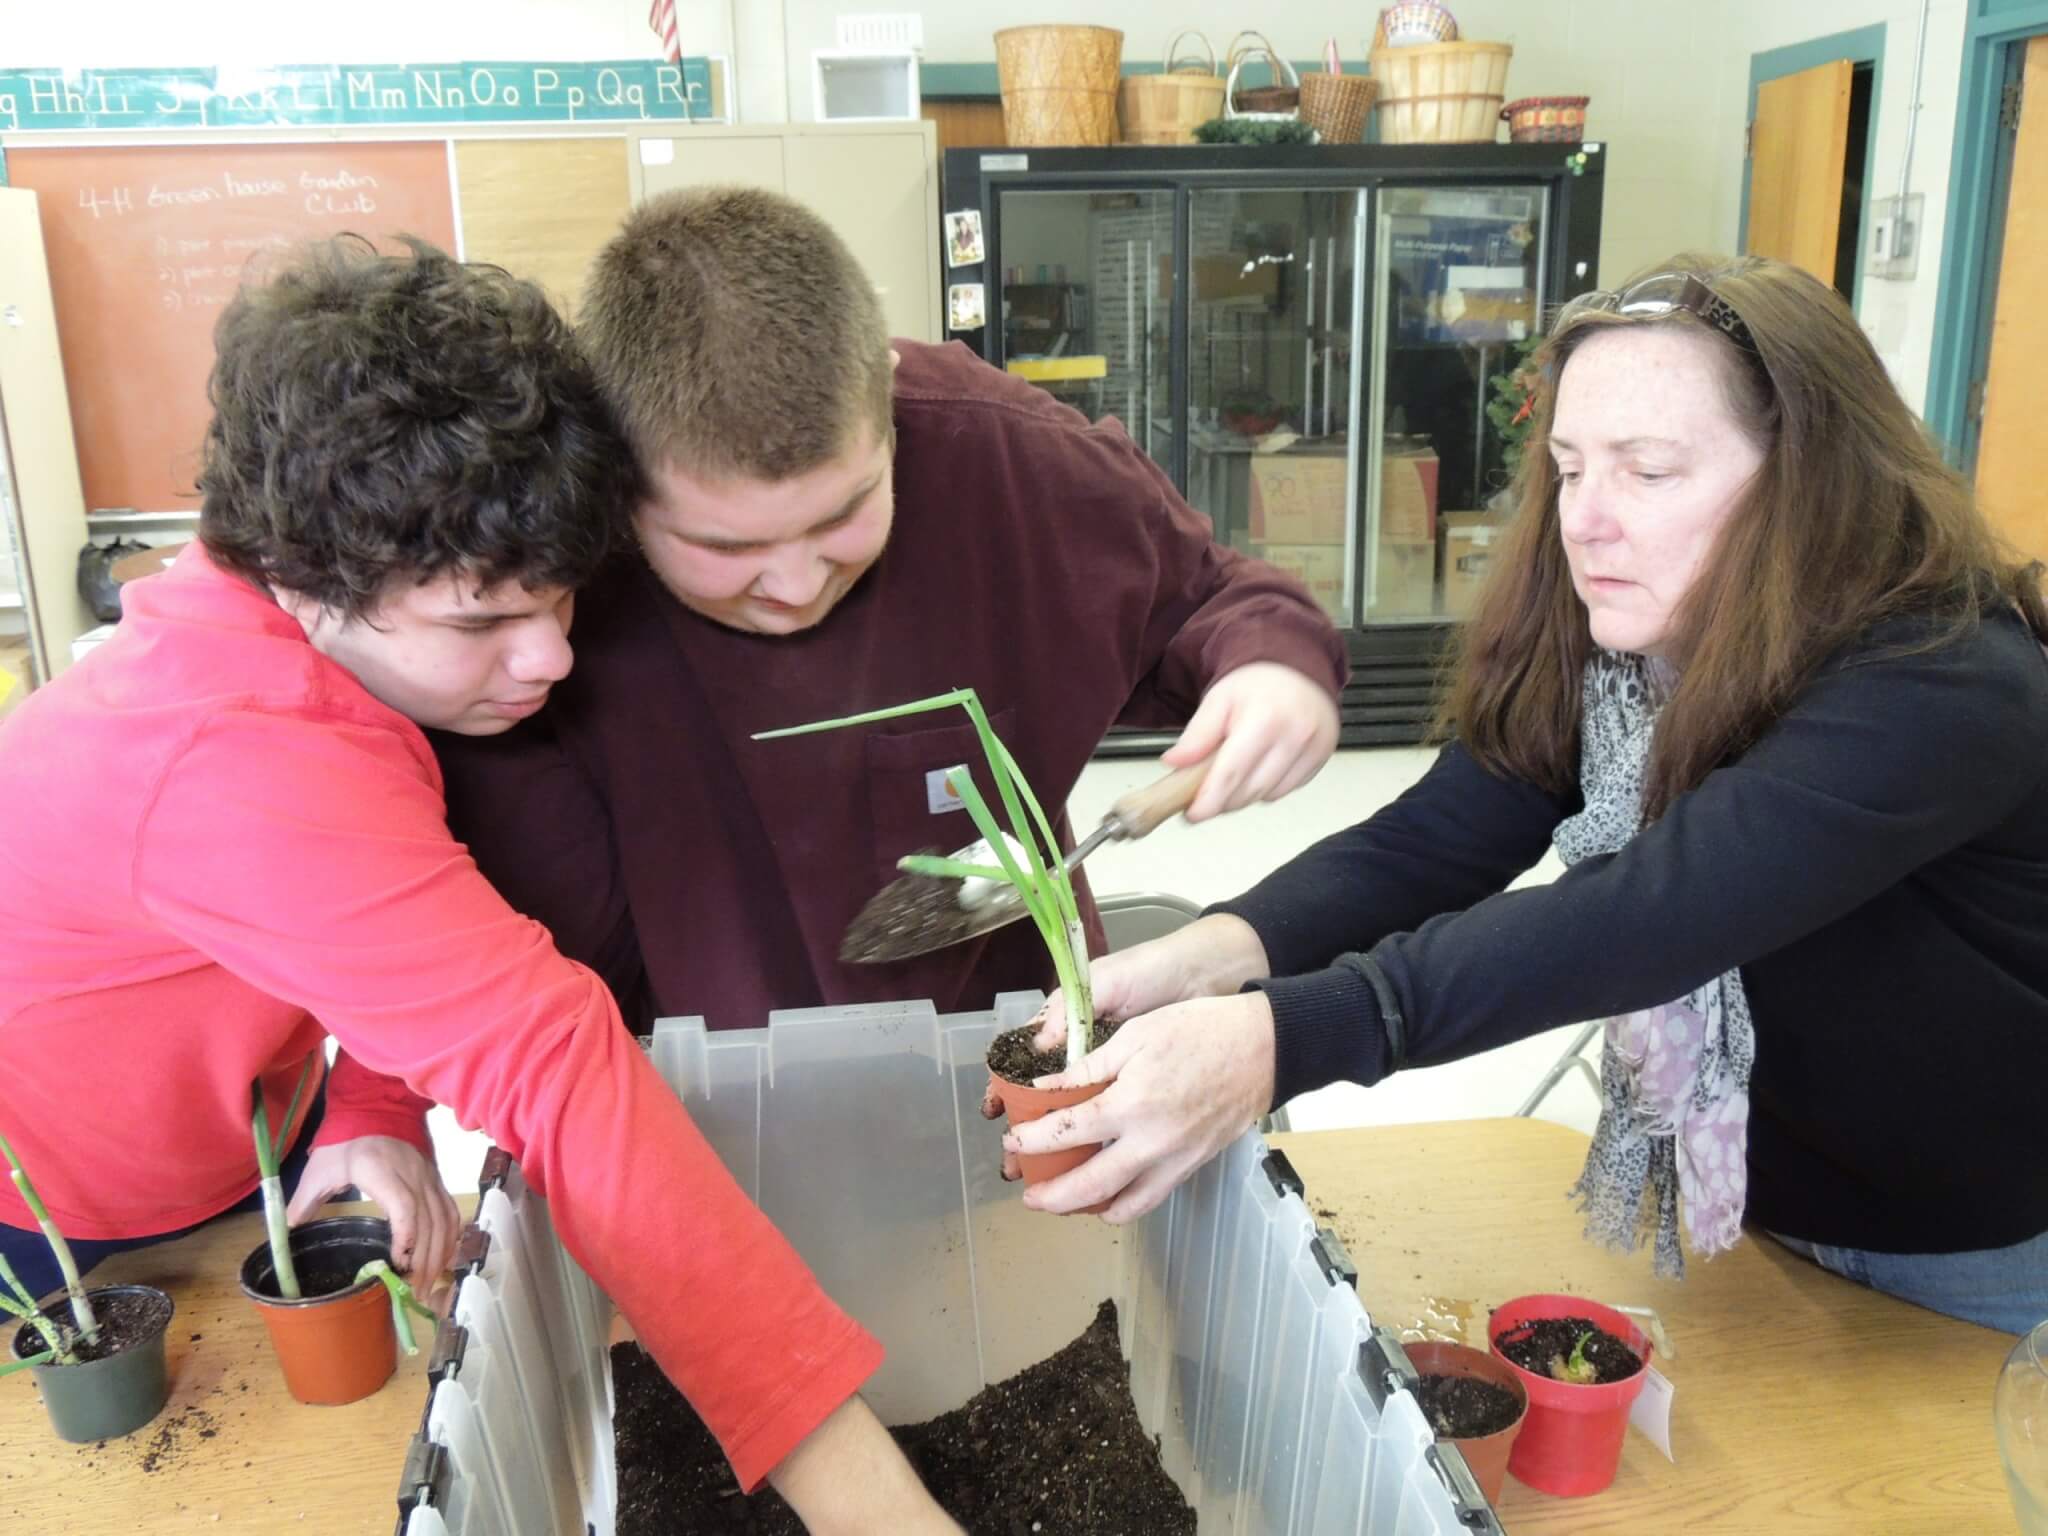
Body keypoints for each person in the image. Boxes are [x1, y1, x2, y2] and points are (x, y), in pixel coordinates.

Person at [0, 237, 957, 1532]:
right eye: (482, 623)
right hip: (54, 1221)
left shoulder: (324, 631)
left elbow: (396, 919)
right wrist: (879, 1510)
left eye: (560, 599)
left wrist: (375, 1105)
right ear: (303, 578)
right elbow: (546, 1058)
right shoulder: (230, 760)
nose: (552, 657)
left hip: (243, 1156)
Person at [1002, 253, 2048, 1336]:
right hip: (1737, 1200)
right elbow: (1438, 837)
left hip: (1965, 1246)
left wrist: (1276, 1038)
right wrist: (1217, 950)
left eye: (1646, 472)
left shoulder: (1942, 678)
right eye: (1568, 468)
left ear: (1810, 482)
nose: (1585, 520)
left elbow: (1648, 915)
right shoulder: (1629, 643)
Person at [429, 185, 1348, 1033]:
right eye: (724, 548)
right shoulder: (543, 567)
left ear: (889, 414)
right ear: (620, 494)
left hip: (1009, 1047)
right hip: (682, 1086)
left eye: (842, 515)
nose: (793, 585)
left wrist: (1273, 666)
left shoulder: (1002, 458)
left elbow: (1213, 596)